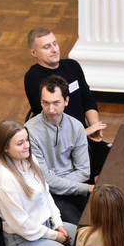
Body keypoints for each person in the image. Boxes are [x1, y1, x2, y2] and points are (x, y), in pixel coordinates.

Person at [23, 28, 110, 176]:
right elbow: (51, 120)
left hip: (83, 134)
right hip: (59, 145)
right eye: (46, 47)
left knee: (116, 161)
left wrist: (94, 126)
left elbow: (87, 99)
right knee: (85, 174)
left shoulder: (72, 66)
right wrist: (82, 134)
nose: (54, 50)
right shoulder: (33, 77)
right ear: (34, 53)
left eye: (55, 43)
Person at [26, 75, 94, 224]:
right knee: (80, 228)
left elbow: (84, 171)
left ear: (66, 101)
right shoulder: (30, 132)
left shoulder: (76, 127)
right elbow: (46, 181)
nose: (51, 110)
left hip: (71, 188)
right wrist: (85, 188)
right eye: (45, 103)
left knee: (103, 219)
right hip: (49, 195)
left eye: (56, 103)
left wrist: (58, 184)